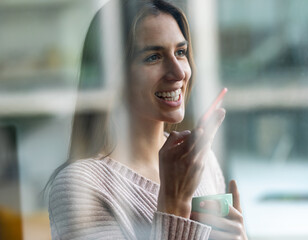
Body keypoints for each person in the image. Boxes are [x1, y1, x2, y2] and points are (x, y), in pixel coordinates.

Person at [46, 0, 247, 239]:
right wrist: (174, 204)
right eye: (153, 57)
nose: (179, 72)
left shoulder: (201, 162)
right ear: (111, 72)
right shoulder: (80, 185)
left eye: (181, 52)